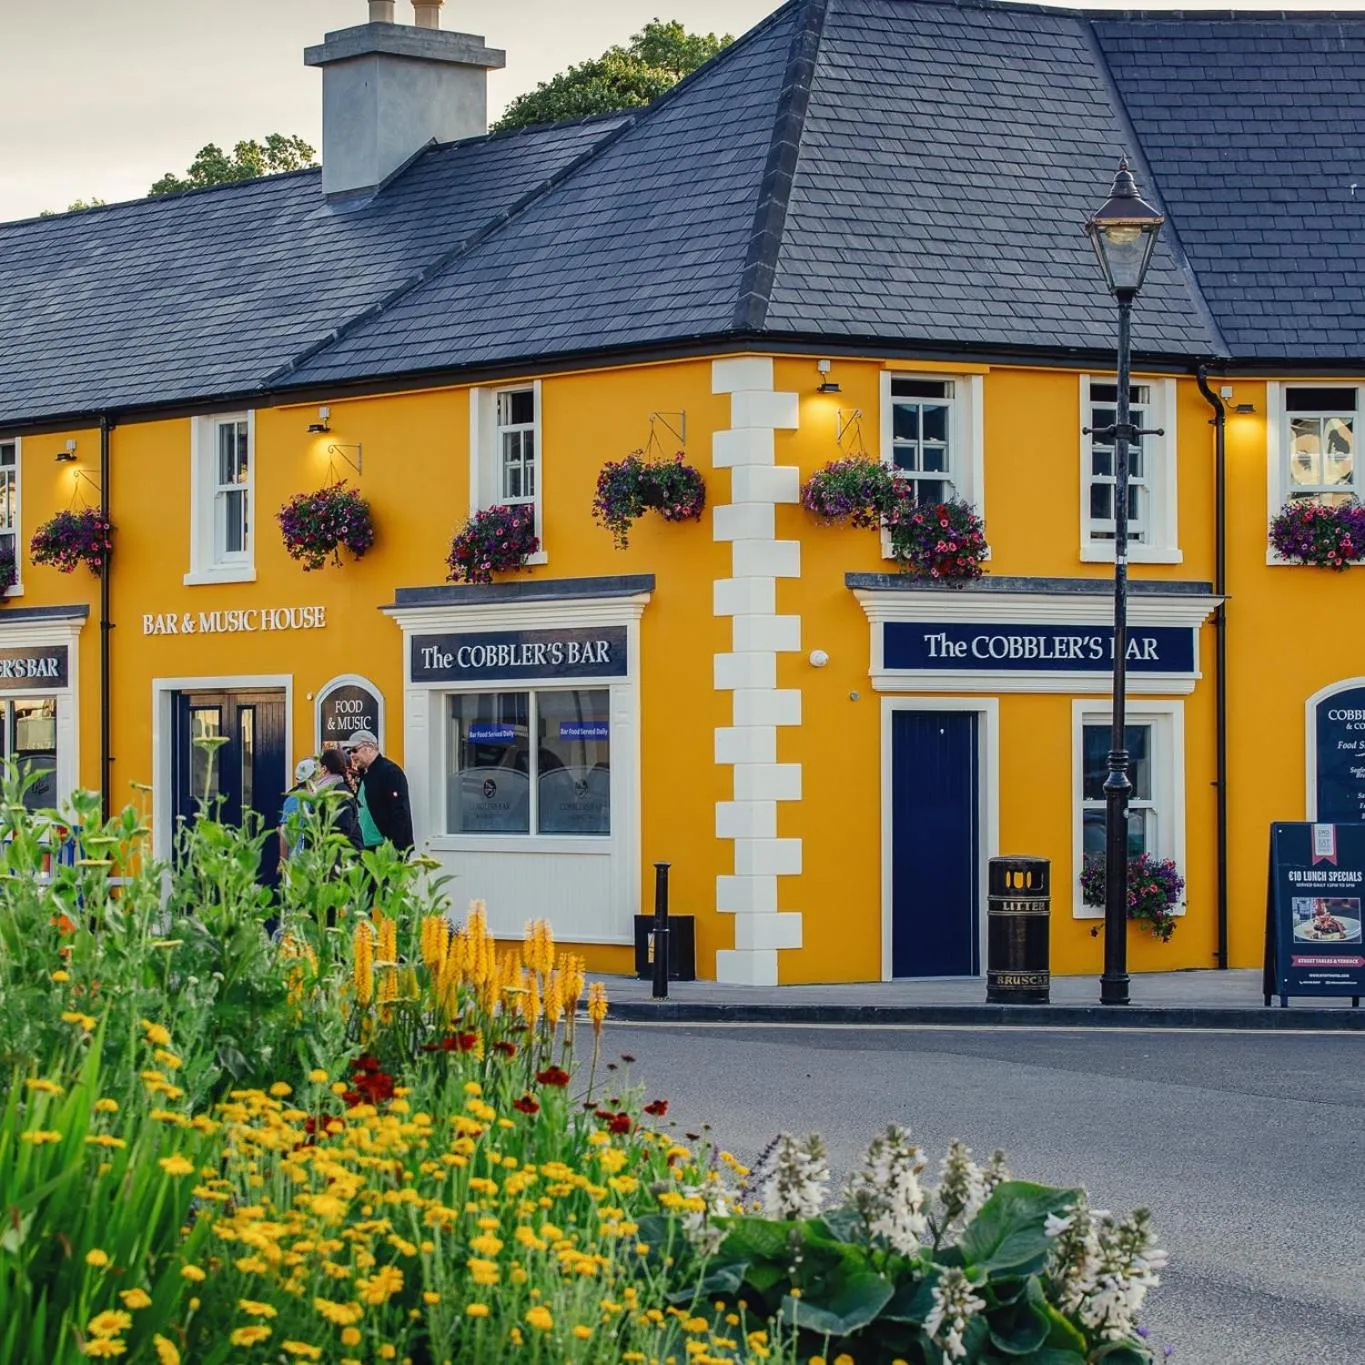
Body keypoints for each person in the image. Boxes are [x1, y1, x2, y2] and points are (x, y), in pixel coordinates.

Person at [344, 729, 413, 853]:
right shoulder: (363, 775)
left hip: (384, 848)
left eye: (354, 750)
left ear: (369, 748)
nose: (351, 755)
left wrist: (398, 849)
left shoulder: (390, 772)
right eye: (349, 751)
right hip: (364, 847)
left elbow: (400, 812)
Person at [315, 746, 365, 853]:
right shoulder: (331, 789)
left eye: (318, 767)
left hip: (344, 857)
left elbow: (343, 830)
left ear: (324, 768)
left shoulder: (338, 793)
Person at [278, 756, 321, 868]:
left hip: (303, 858)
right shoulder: (299, 799)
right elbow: (285, 831)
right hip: (301, 860)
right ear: (313, 776)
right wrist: (283, 860)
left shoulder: (293, 798)